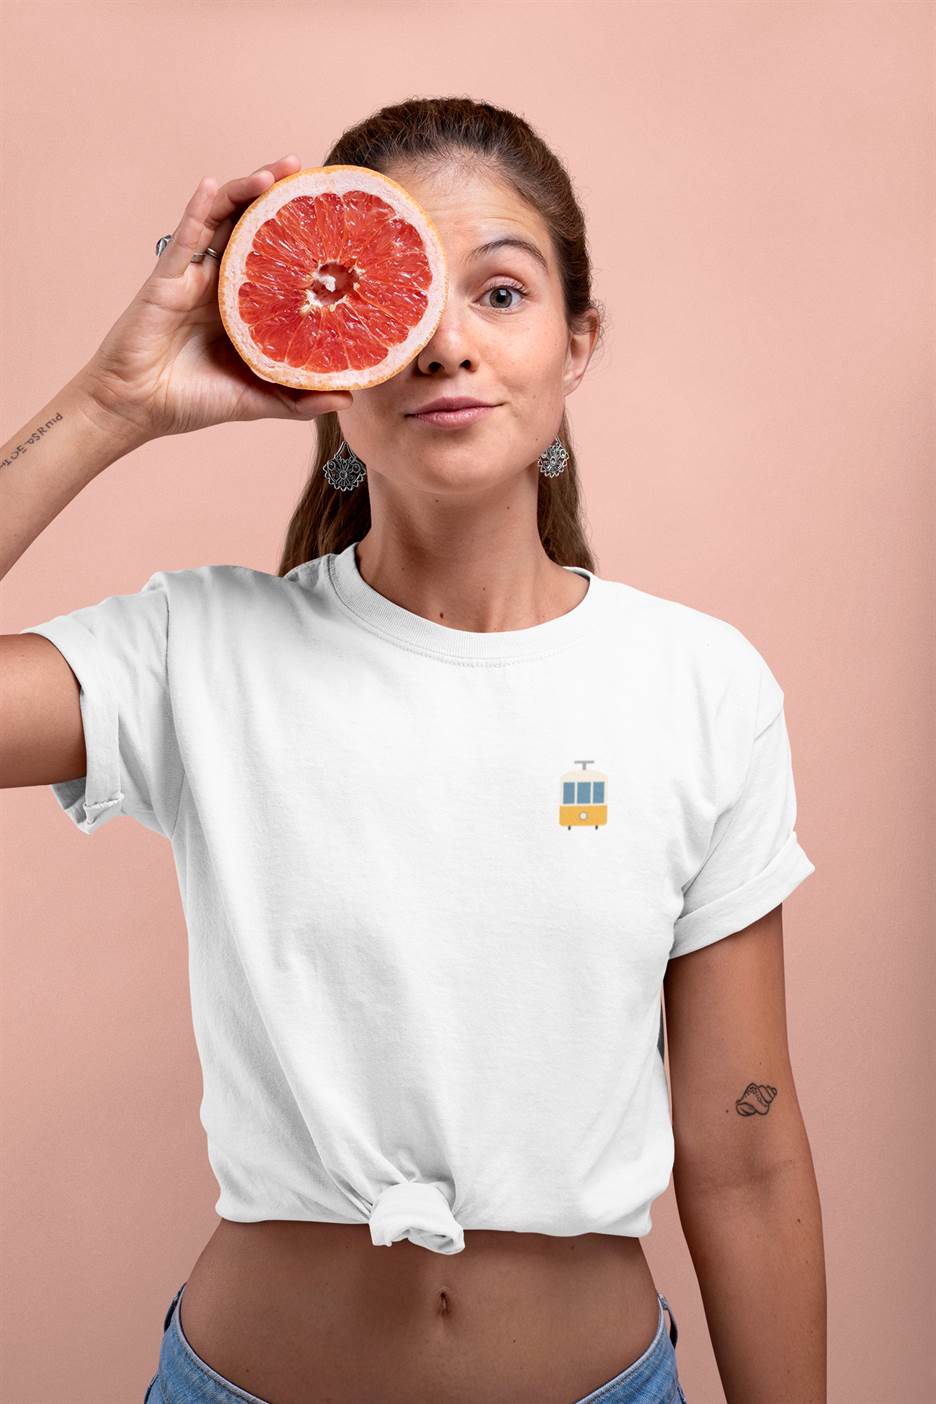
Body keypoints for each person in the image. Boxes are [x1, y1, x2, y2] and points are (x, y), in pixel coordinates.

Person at [0, 97, 826, 1404]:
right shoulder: (201, 653)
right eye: (393, 298)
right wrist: (113, 402)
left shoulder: (696, 686)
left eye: (501, 292)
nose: (445, 341)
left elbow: (745, 1149)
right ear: (325, 359)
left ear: (579, 342)